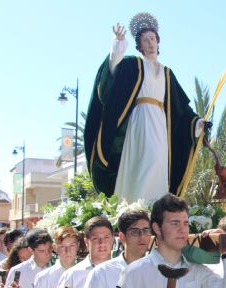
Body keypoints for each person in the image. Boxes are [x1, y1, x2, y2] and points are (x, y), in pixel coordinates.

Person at [84, 13, 206, 203]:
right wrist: (117, 45)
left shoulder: (167, 73)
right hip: (138, 121)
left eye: (152, 39)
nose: (150, 43)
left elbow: (180, 109)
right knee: (141, 162)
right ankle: (134, 206)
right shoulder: (133, 64)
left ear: (158, 42)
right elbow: (112, 70)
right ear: (139, 45)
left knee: (158, 162)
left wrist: (197, 123)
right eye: (145, 39)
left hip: (159, 123)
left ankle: (156, 207)